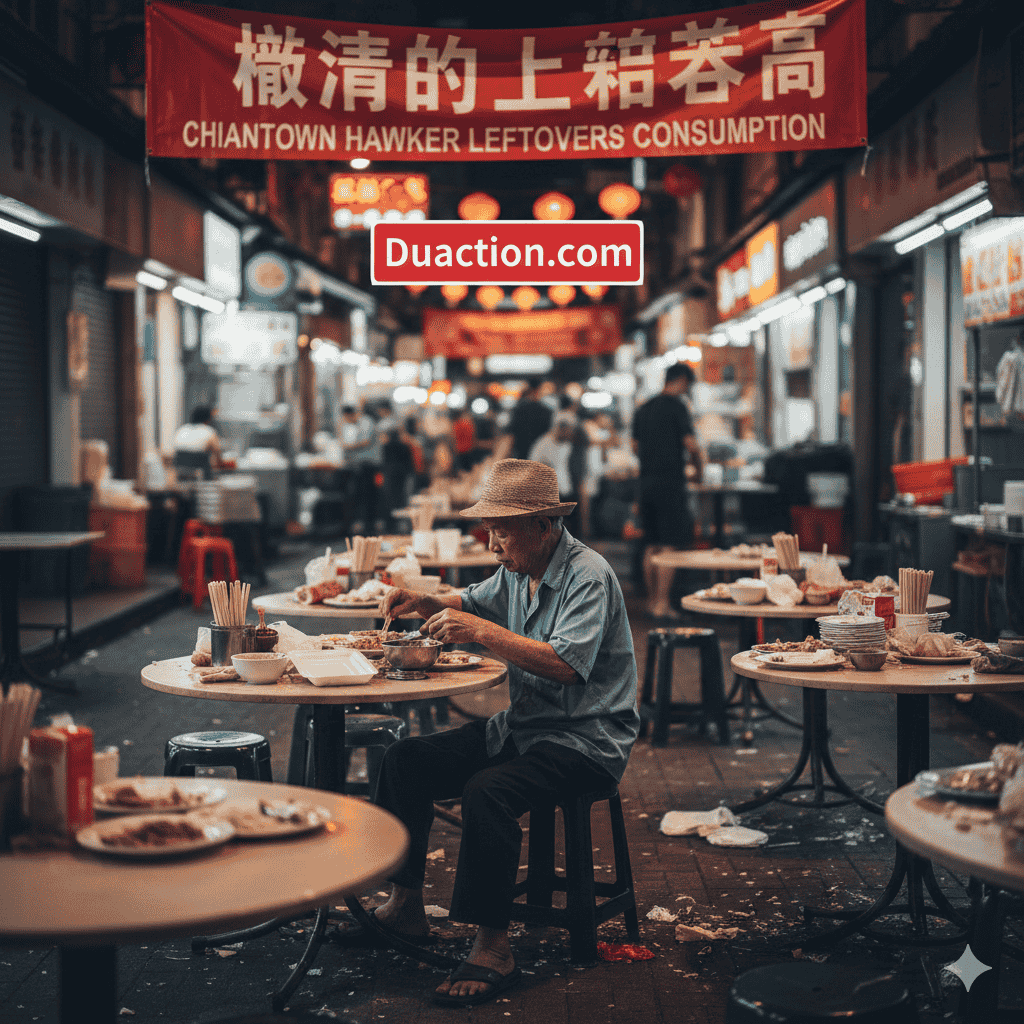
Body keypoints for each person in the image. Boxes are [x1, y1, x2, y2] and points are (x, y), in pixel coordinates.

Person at [361, 459, 638, 1007]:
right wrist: (425, 599)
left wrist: (482, 631)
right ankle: (406, 907)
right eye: (490, 531)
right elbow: (473, 598)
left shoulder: (588, 575)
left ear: (542, 524)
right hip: (524, 728)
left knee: (487, 792)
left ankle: (493, 948)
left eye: (501, 531)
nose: (493, 545)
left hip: (587, 741)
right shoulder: (518, 566)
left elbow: (563, 664)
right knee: (405, 760)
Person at [631, 362, 704, 616]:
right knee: (670, 545)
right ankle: (663, 603)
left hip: (646, 484)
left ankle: (653, 602)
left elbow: (634, 447)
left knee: (651, 544)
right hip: (670, 484)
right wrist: (698, 470)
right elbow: (691, 444)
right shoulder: (677, 407)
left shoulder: (643, 408)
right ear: (682, 380)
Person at [341, 403, 381, 532]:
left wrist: (347, 447)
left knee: (369, 496)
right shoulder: (358, 424)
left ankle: (370, 526)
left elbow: (365, 441)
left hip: (369, 465)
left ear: (349, 414)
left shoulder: (365, 422)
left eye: (346, 418)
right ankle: (364, 525)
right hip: (362, 465)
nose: (346, 421)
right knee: (362, 495)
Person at [506, 381, 552, 460]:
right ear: (539, 390)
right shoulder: (546, 411)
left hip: (520, 449)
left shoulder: (518, 409)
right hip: (539, 449)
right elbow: (548, 432)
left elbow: (511, 431)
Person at [173, 406, 223, 477]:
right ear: (207, 418)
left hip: (180, 472)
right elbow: (217, 452)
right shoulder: (208, 431)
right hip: (201, 472)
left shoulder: (182, 429)